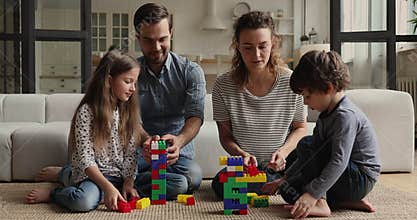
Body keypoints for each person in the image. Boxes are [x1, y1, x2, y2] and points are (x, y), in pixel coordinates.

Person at [261, 50, 381, 218]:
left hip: (359, 178)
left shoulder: (345, 116)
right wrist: (283, 180)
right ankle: (343, 202)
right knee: (290, 191)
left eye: (308, 95)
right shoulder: (326, 114)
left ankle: (322, 204)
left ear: (328, 88)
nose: (305, 102)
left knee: (306, 144)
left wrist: (313, 196)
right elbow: (307, 159)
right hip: (344, 179)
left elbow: (339, 161)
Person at [26, 49, 144, 212]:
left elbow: (131, 154)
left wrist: (128, 182)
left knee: (173, 185)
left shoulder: (129, 111)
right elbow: (86, 159)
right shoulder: (87, 112)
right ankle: (56, 191)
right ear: (109, 81)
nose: (133, 88)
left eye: (135, 83)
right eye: (128, 81)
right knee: (83, 201)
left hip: (120, 175)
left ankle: (66, 174)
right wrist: (108, 188)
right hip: (93, 176)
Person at [211, 11, 307, 199]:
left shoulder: (291, 81)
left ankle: (279, 181)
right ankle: (280, 184)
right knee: (220, 184)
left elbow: (301, 128)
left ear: (273, 43)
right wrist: (240, 153)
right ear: (236, 46)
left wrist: (283, 152)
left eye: (263, 46)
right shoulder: (223, 85)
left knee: (309, 164)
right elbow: (225, 136)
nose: (256, 55)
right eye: (247, 47)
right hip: (247, 169)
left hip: (285, 163)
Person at [133, 3, 206, 200]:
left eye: (162, 39)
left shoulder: (191, 71)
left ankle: (130, 182)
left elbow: (195, 117)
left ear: (171, 33)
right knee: (179, 184)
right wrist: (146, 142)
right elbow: (129, 119)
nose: (156, 48)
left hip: (177, 154)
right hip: (139, 152)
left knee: (193, 177)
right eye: (148, 40)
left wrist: (180, 141)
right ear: (137, 38)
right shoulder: (129, 74)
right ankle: (134, 180)